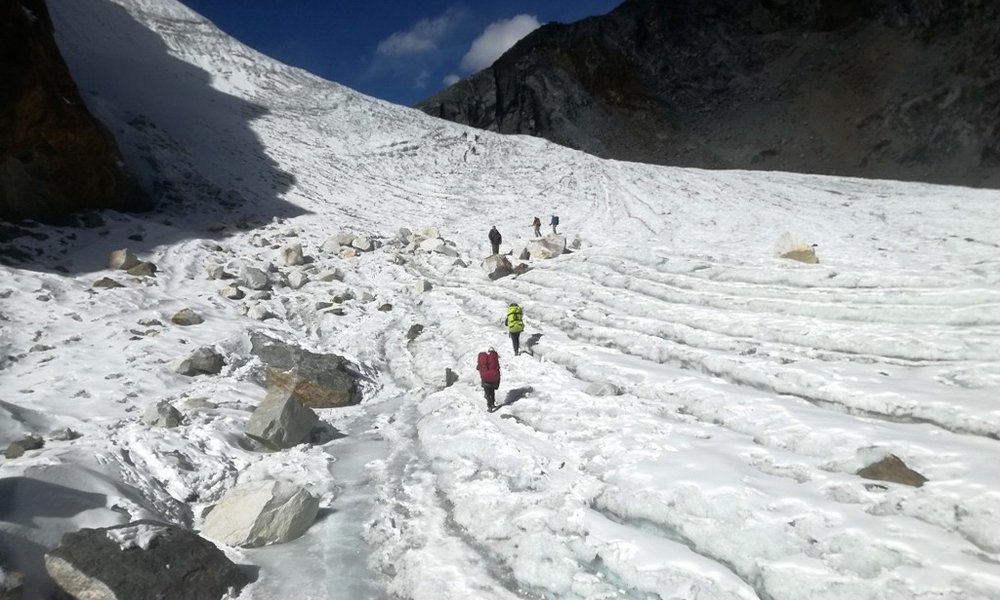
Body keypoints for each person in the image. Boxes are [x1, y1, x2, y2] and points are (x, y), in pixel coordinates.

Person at [477, 347, 501, 411]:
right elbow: (497, 366)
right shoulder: (494, 358)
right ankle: (492, 403)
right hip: (493, 377)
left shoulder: (482, 359)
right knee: (492, 391)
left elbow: (478, 367)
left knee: (487, 393)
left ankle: (489, 405)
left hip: (485, 378)